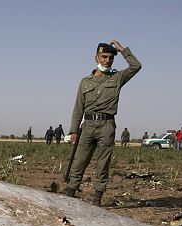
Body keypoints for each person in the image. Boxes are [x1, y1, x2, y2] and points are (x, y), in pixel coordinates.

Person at [60, 40, 141, 206]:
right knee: (79, 161)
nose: (107, 60)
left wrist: (122, 50)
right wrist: (73, 130)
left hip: (107, 125)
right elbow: (78, 108)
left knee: (103, 164)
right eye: (104, 57)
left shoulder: (118, 77)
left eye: (111, 57)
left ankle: (97, 199)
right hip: (87, 126)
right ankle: (70, 194)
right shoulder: (85, 82)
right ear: (96, 58)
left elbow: (136, 66)